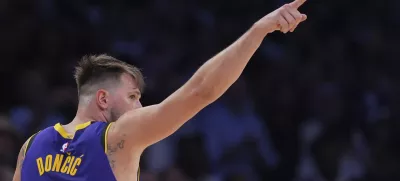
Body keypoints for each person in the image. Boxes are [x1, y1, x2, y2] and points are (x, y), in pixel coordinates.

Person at [12, 0, 308, 180]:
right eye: (132, 97)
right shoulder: (118, 136)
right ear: (103, 98)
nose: (140, 107)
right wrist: (258, 31)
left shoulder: (31, 147)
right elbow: (201, 91)